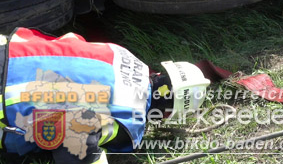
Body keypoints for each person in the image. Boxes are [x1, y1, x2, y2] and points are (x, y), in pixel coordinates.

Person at [0, 27, 210, 164]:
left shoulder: (121, 53)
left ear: (161, 74)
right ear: (166, 114)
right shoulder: (130, 121)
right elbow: (77, 137)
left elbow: (71, 40)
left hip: (9, 49)